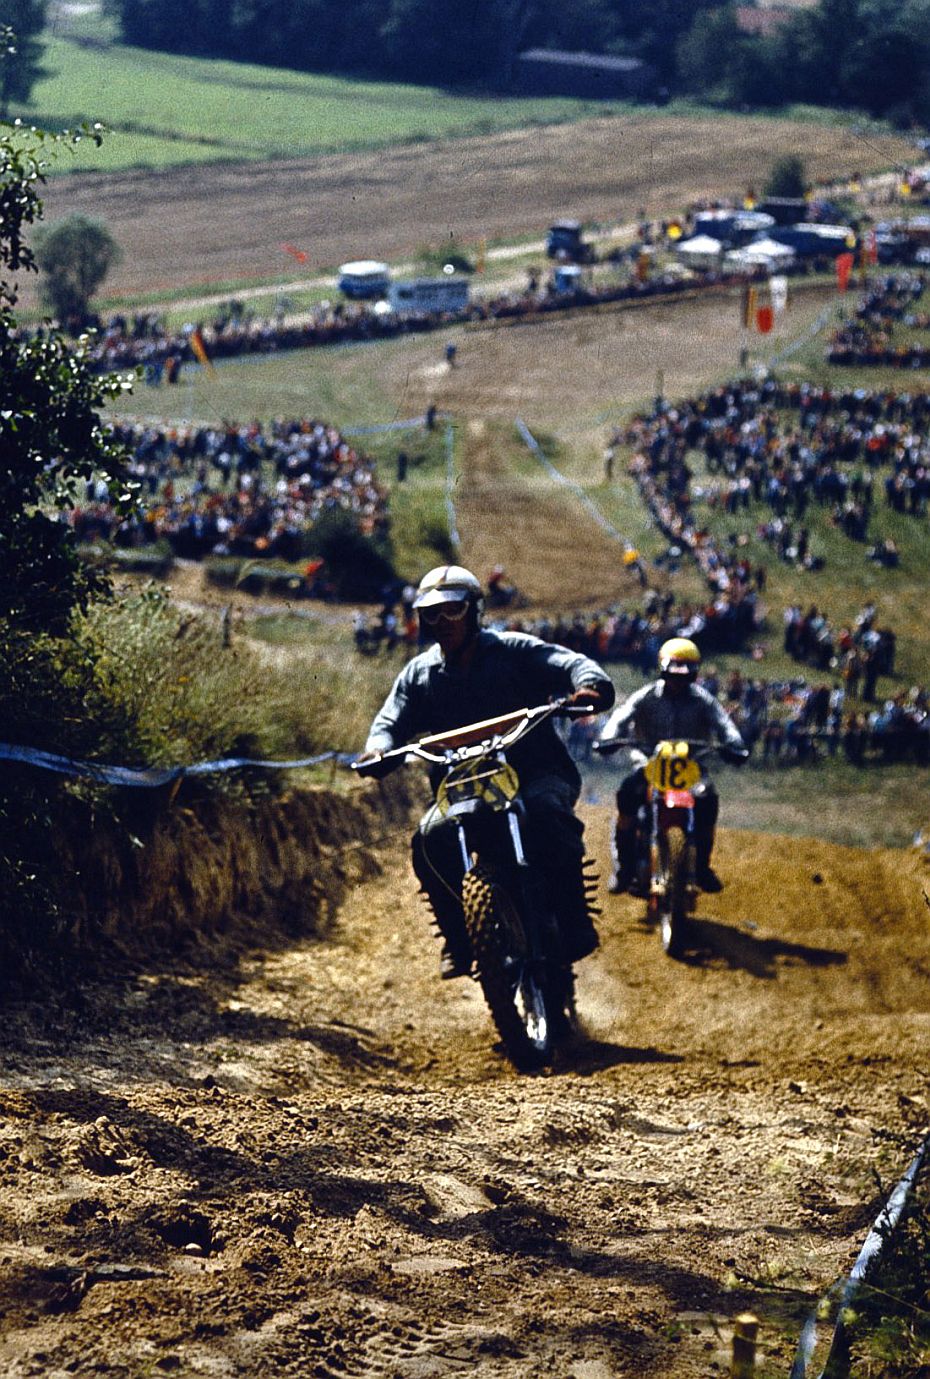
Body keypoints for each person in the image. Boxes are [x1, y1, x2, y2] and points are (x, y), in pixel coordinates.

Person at [356, 564, 615, 979]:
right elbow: (390, 721)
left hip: (536, 772)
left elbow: (572, 664)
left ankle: (572, 920)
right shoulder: (419, 675)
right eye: (431, 613)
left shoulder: (515, 650)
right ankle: (458, 941)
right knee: (428, 840)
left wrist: (589, 686)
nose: (442, 623)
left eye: (452, 611)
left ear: (474, 611)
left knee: (548, 813)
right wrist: (379, 750)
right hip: (463, 790)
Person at [596, 637, 748, 896]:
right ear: (662, 670)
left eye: (685, 677)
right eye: (672, 675)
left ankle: (701, 868)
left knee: (708, 800)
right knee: (627, 796)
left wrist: (735, 745)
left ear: (694, 675)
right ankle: (625, 868)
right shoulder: (645, 696)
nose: (677, 682)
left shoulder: (703, 700)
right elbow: (621, 715)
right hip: (648, 764)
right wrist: (608, 739)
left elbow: (724, 724)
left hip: (691, 769)